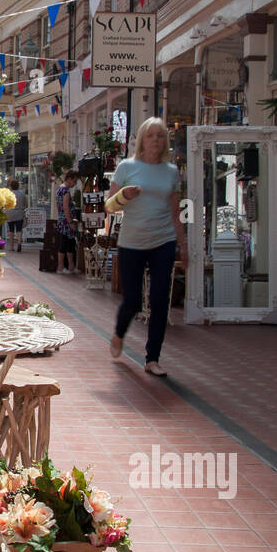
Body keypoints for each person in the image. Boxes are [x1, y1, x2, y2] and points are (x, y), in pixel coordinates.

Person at [106, 117, 188, 376]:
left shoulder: (171, 172)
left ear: (165, 141)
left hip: (163, 240)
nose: (155, 140)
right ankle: (119, 334)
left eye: (160, 135)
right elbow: (109, 206)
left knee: (160, 299)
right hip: (132, 241)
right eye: (150, 135)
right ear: (142, 139)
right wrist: (124, 196)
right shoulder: (126, 166)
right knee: (132, 301)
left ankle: (153, 358)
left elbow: (176, 213)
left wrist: (183, 246)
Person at [55, 169, 80, 273]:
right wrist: (70, 222)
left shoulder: (59, 189)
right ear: (69, 179)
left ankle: (70, 266)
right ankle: (62, 267)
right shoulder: (66, 191)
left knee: (68, 243)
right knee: (66, 244)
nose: (75, 184)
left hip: (62, 220)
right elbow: (65, 207)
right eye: (74, 181)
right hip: (66, 221)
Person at [5, 177, 25, 253]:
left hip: (10, 213)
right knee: (19, 229)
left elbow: (6, 204)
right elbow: (25, 203)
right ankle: (19, 243)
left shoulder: (9, 193)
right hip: (19, 212)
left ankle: (11, 246)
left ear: (11, 186)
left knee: (11, 229)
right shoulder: (22, 193)